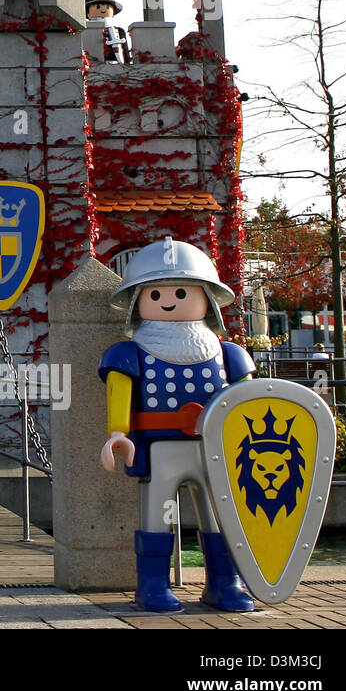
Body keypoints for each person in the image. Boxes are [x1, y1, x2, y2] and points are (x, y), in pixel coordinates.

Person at [99, 237, 254, 612]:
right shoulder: (129, 353)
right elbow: (120, 391)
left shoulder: (228, 354)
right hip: (159, 450)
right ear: (138, 301)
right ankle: (153, 585)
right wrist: (118, 433)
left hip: (214, 450)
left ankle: (225, 583)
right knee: (159, 517)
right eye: (156, 294)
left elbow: (247, 401)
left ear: (206, 298)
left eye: (182, 292)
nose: (169, 300)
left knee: (220, 518)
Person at [85, 0, 131, 64]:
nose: (103, 10)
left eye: (107, 7)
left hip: (116, 63)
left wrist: (127, 62)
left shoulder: (119, 31)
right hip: (90, 63)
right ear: (87, 13)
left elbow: (124, 49)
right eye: (98, 7)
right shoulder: (85, 31)